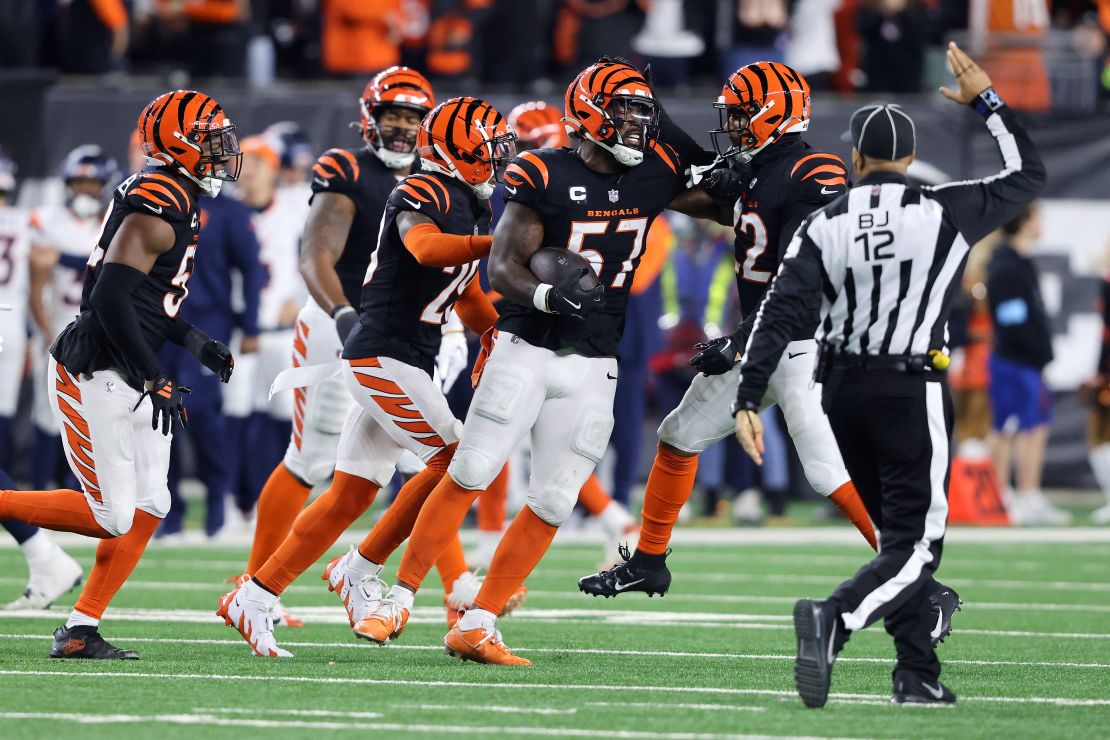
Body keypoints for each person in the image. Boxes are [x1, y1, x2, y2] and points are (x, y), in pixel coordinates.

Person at [351, 59, 734, 665]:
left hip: (595, 357)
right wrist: (546, 294)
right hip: (527, 341)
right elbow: (500, 265)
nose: (639, 122)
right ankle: (398, 596)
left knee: (555, 498)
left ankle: (477, 623)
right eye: (626, 109)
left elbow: (723, 201)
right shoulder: (540, 171)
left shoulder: (656, 171)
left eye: (643, 111)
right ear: (587, 112)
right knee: (471, 468)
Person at [577, 63, 961, 633]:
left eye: (739, 114)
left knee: (827, 470)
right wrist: (653, 117)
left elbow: (803, 281)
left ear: (774, 115)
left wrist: (736, 341)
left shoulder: (815, 171)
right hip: (765, 341)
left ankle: (921, 583)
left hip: (807, 342)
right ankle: (650, 561)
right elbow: (693, 180)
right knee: (678, 435)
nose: (730, 126)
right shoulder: (759, 173)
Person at [732, 42, 1044, 707]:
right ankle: (835, 620)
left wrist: (748, 394)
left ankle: (916, 673)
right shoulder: (945, 210)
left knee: (892, 547)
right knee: (916, 547)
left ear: (855, 159)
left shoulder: (824, 220)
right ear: (907, 160)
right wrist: (987, 100)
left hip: (841, 391)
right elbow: (1027, 173)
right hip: (911, 388)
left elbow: (779, 312)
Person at [218, 96, 514, 658]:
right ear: (459, 148)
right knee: (456, 459)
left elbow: (468, 292)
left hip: (407, 357)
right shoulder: (421, 190)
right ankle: (361, 565)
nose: (499, 158)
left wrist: (500, 336)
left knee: (348, 496)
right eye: (490, 146)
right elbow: (426, 248)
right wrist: (495, 243)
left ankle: (254, 596)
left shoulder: (471, 206)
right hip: (380, 354)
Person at [0, 90, 242, 659]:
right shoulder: (161, 198)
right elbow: (108, 299)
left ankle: (81, 628)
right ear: (179, 145)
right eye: (209, 142)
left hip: (128, 363)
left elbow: (147, 302)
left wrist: (191, 341)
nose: (221, 153)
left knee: (153, 502)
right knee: (111, 513)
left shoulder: (177, 193)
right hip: (98, 367)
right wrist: (154, 373)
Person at [242, 67, 436, 593]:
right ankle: (256, 584)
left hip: (401, 334)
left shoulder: (439, 177)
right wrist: (343, 315)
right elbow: (316, 256)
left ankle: (438, 591)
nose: (402, 128)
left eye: (413, 119)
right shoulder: (346, 169)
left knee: (428, 461)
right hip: (341, 323)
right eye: (392, 116)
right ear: (368, 120)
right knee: (308, 459)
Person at [28, 146, 118, 492]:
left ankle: (80, 491)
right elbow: (37, 286)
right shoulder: (48, 220)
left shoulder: (116, 223)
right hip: (57, 328)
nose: (84, 190)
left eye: (91, 183)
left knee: (90, 416)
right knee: (47, 415)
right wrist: (44, 332)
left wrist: (63, 258)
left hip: (100, 333)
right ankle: (38, 489)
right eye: (78, 182)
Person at [985, 203, 1069, 525]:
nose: (1043, 222)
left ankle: (1029, 494)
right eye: (1038, 216)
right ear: (1023, 221)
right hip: (1013, 360)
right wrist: (1033, 350)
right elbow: (1011, 320)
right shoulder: (1005, 265)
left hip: (1029, 362)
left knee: (1035, 427)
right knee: (1008, 427)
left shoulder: (1021, 262)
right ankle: (1000, 494)